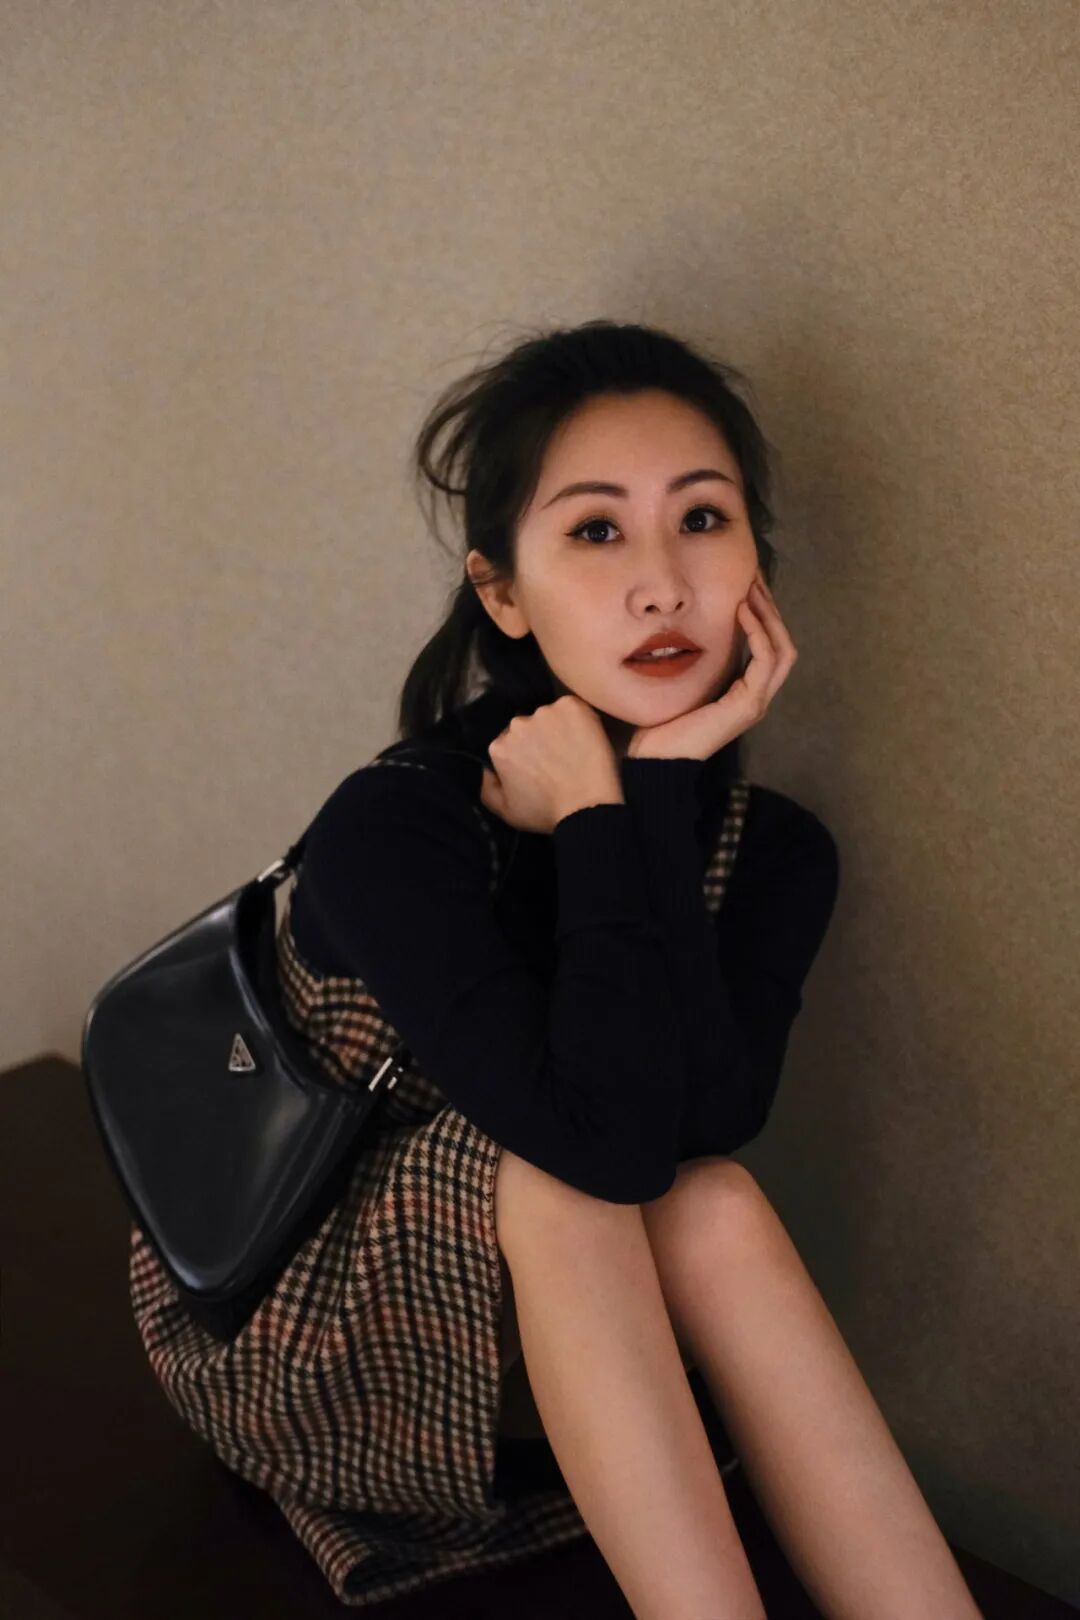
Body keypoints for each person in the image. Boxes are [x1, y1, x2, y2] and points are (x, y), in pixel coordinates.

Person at [128, 319, 984, 1618]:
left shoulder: (772, 852)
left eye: (703, 520)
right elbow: (603, 1154)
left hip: (556, 1371)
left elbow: (696, 1128)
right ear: (504, 595)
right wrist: (597, 820)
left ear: (756, 561)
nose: (662, 584)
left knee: (715, 1202)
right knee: (567, 1183)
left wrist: (650, 798)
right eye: (595, 531)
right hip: (304, 1342)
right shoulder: (398, 826)